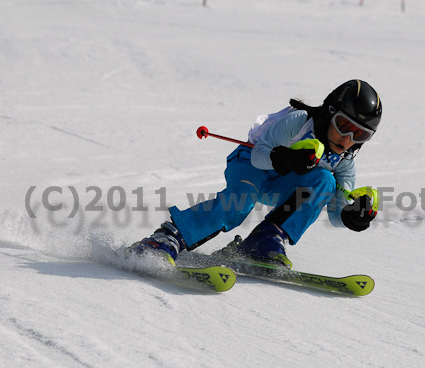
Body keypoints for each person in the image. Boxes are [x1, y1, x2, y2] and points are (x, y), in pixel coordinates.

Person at [129, 79, 383, 267]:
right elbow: (259, 156)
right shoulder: (299, 122)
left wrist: (352, 216)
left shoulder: (344, 163)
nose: (348, 139)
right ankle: (168, 238)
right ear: (329, 113)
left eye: (360, 135)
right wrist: (285, 158)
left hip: (281, 185)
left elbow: (336, 213)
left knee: (325, 180)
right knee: (239, 204)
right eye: (344, 126)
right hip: (250, 166)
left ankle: (266, 238)